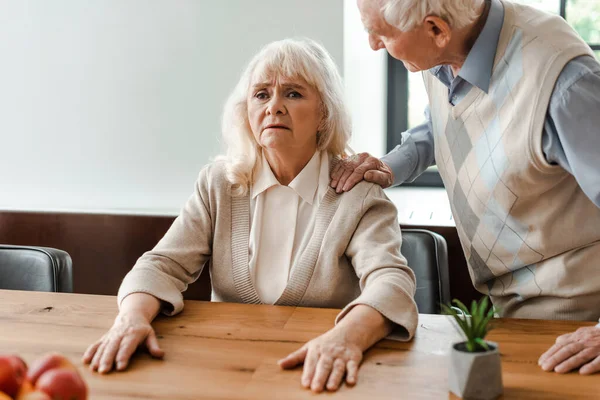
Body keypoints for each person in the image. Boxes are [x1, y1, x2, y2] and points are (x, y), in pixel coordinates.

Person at [82, 38, 419, 393]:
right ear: (247, 112)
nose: (274, 106)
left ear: (324, 113)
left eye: (293, 93)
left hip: (321, 373)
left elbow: (391, 284)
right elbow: (161, 265)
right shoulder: (219, 184)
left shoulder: (358, 192)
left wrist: (346, 339)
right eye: (261, 94)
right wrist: (131, 318)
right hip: (227, 372)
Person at [333, 0, 600, 375]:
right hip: (511, 308)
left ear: (437, 30)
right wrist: (388, 166)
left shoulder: (563, 83)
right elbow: (445, 120)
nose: (374, 46)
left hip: (576, 318)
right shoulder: (446, 49)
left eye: (382, 34)